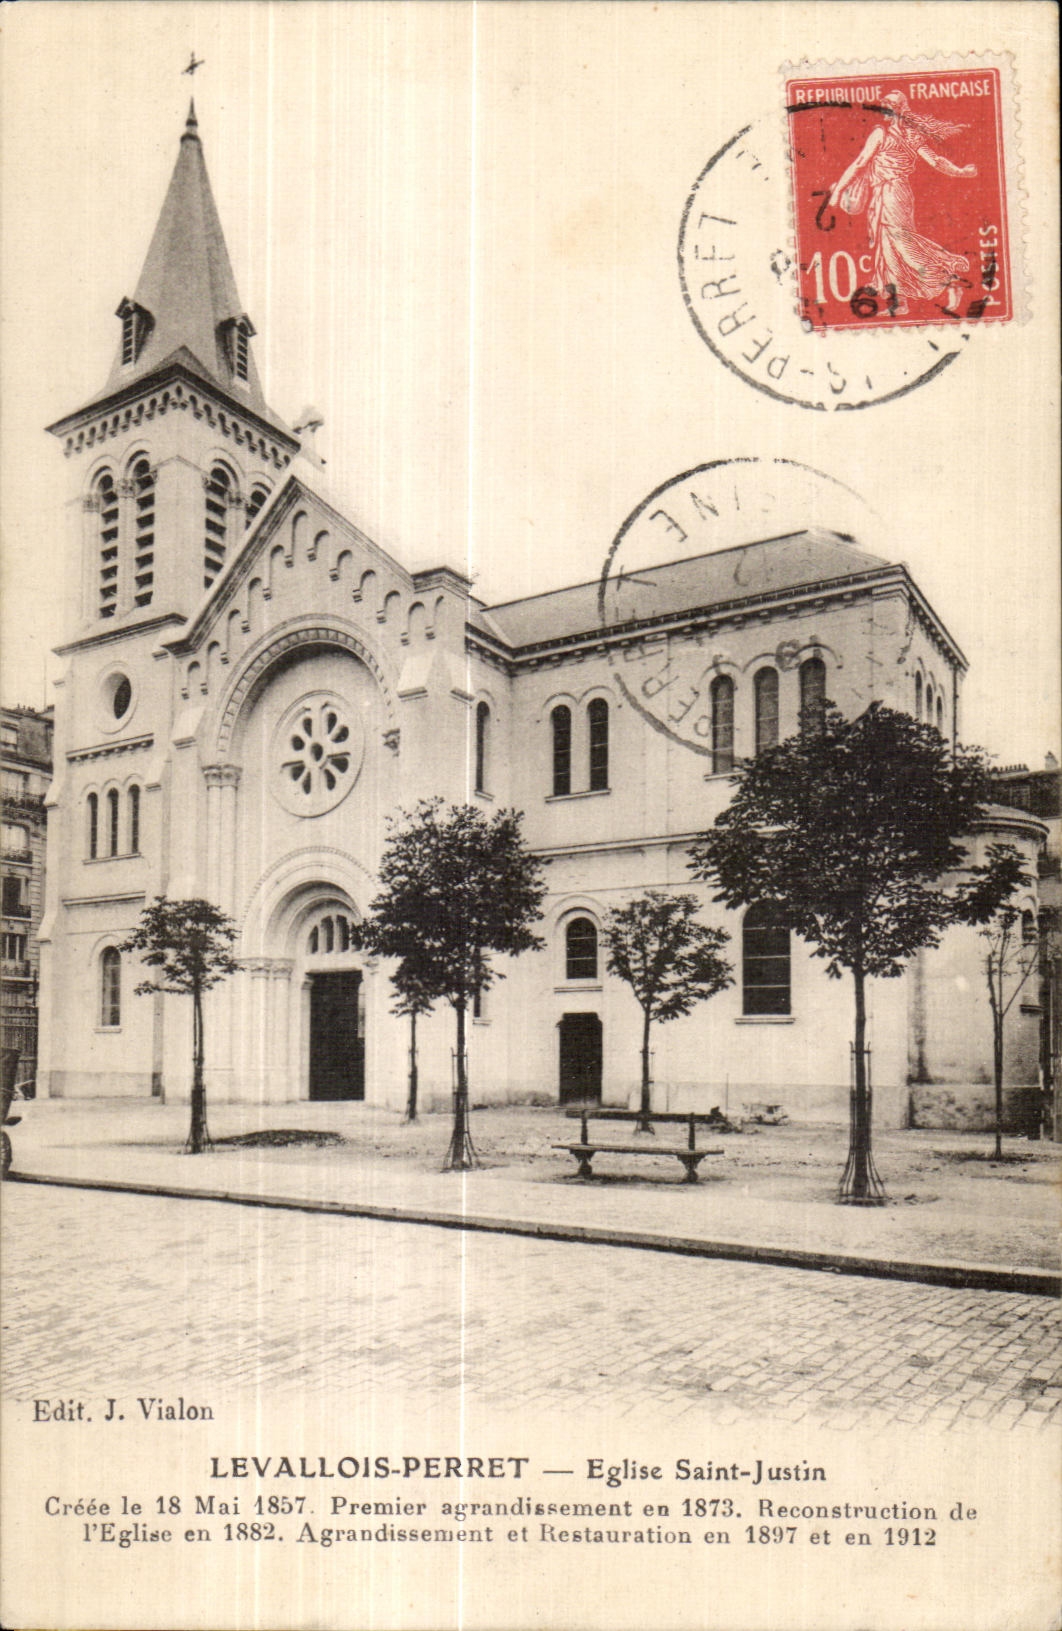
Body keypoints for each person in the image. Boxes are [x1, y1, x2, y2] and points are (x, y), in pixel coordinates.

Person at [828, 90, 977, 313]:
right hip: (894, 192)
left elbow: (860, 163)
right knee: (889, 247)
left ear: (897, 110)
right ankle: (899, 303)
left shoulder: (881, 133)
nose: (882, 109)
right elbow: (936, 160)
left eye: (887, 105)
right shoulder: (910, 135)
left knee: (901, 244)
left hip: (891, 193)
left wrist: (838, 191)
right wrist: (960, 171)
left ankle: (948, 279)